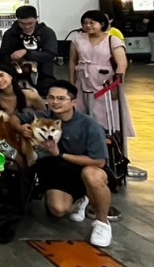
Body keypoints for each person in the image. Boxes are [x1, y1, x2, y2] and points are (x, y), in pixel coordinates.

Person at [33, 81, 114, 247]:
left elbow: (99, 161)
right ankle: (79, 201)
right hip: (59, 172)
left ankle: (102, 222)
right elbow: (16, 119)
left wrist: (60, 154)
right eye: (51, 98)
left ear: (73, 102)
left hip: (86, 168)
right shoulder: (43, 117)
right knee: (58, 210)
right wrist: (24, 128)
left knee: (92, 175)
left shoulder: (89, 124)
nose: (55, 102)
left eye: (61, 98)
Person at [69, 10, 142, 180]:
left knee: (109, 121)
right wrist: (71, 84)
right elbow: (72, 61)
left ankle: (116, 158)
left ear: (102, 24)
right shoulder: (78, 39)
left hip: (106, 86)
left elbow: (122, 63)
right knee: (82, 118)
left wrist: (117, 84)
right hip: (83, 84)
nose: (88, 26)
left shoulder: (112, 40)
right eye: (85, 23)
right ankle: (87, 157)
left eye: (92, 22)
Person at [0, 5, 59, 95]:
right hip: (16, 80)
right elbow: (2, 58)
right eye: (22, 23)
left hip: (44, 79)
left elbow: (50, 54)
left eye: (30, 23)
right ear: (17, 20)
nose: (26, 26)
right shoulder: (10, 34)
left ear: (36, 19)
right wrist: (10, 57)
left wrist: (27, 53)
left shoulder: (47, 33)